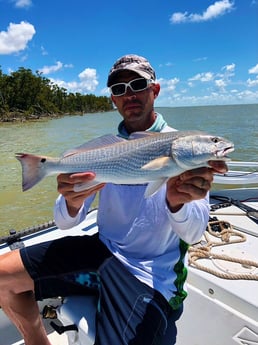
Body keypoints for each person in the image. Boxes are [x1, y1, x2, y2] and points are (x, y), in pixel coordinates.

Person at [0, 54, 227, 345]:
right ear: (113, 100)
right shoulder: (103, 151)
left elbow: (194, 234)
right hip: (100, 250)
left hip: (147, 273)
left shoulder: (185, 151)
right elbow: (63, 222)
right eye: (119, 89)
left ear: (154, 90)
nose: (129, 94)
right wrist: (71, 202)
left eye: (138, 84)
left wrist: (177, 203)